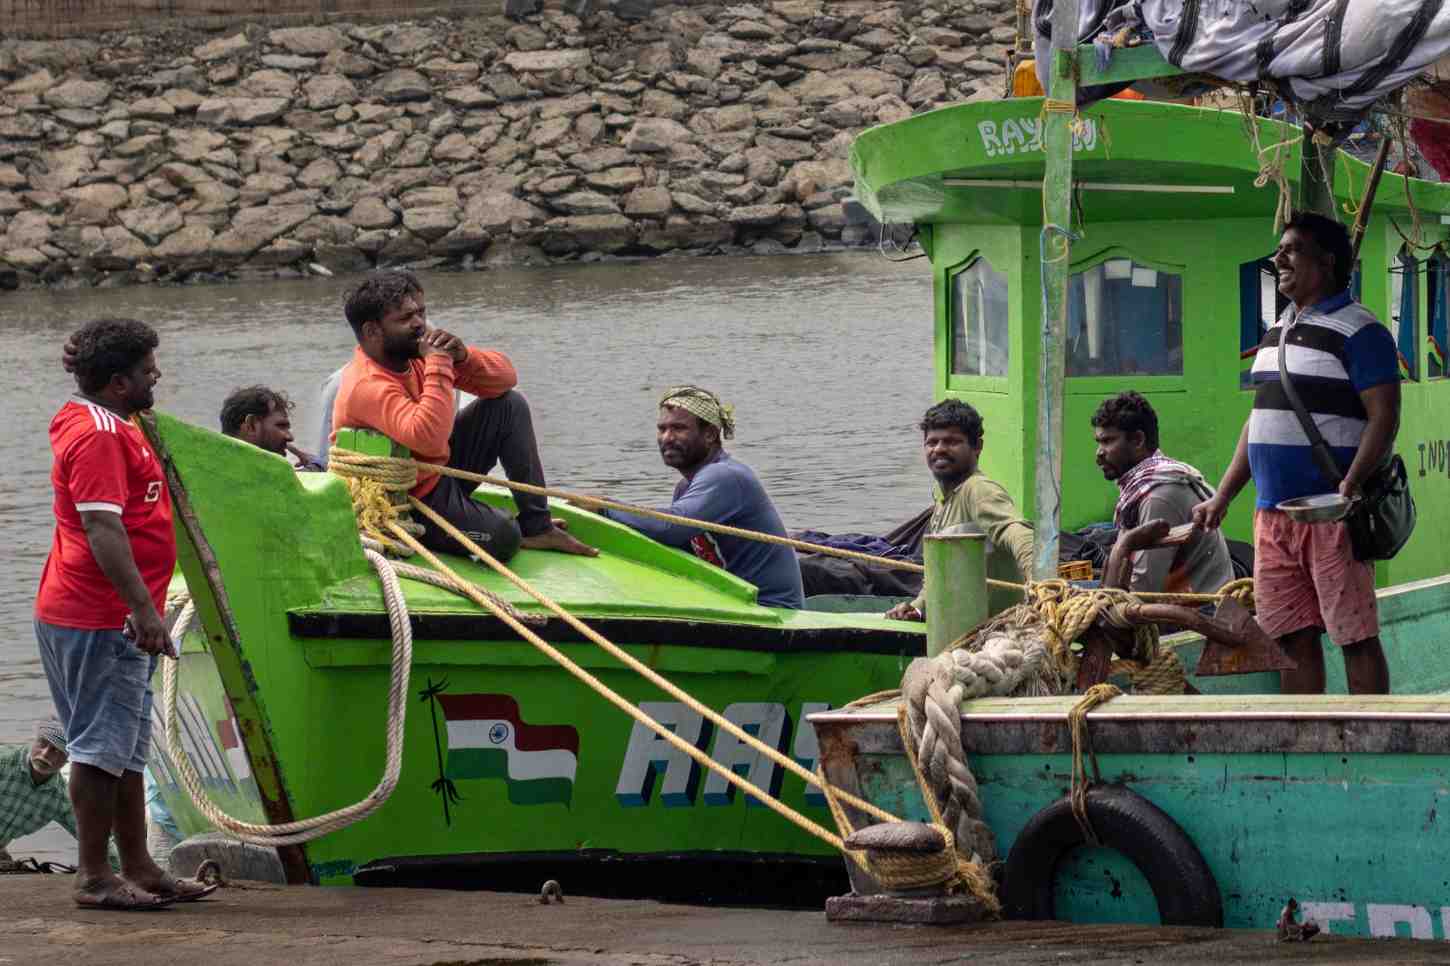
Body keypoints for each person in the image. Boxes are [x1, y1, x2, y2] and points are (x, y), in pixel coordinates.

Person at [35, 318, 213, 909]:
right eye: (146, 369)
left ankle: (140, 866)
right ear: (116, 382)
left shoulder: (107, 419)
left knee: (126, 748)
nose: (157, 374)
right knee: (96, 747)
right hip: (99, 615)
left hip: (106, 614)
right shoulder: (99, 435)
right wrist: (143, 610)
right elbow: (102, 526)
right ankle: (93, 876)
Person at [1193, 212, 1400, 695]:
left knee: (1355, 637)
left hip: (1331, 516)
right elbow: (1258, 424)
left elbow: (1385, 417)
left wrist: (1348, 488)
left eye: (1291, 249)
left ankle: (1372, 740)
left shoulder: (1361, 330)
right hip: (1273, 519)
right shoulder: (1275, 333)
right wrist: (1221, 498)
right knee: (1292, 637)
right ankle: (1315, 744)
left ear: (1325, 263)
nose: (1278, 258)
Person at [332, 270, 595, 560]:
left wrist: (464, 357)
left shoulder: (412, 355)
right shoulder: (365, 385)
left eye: (421, 312)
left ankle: (537, 526)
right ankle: (505, 530)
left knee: (510, 406)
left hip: (435, 473)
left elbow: (506, 378)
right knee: (504, 535)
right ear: (372, 331)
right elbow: (429, 439)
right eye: (406, 319)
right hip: (408, 501)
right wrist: (438, 363)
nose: (420, 324)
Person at [596, 386, 805, 608]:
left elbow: (672, 528)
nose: (667, 437)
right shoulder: (685, 487)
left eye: (678, 428)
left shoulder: (724, 476)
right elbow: (674, 544)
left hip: (771, 610)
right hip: (734, 603)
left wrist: (605, 508)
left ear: (710, 434)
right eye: (662, 428)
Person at [885, 399, 1034, 621]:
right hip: (957, 630)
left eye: (952, 442)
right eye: (931, 442)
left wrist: (1042, 585)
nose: (939, 449)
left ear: (977, 447)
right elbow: (939, 577)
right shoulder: (943, 504)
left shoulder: (979, 490)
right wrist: (917, 609)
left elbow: (1017, 533)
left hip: (996, 634)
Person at [1091, 391, 1234, 595]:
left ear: (1138, 440)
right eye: (1098, 442)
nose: (1099, 452)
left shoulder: (1159, 496)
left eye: (1107, 441)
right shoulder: (1148, 484)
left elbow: (1142, 590)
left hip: (1199, 609)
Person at [0, 721, 119, 870]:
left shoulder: (60, 798)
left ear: (69, 759)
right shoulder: (3, 762)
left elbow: (93, 838)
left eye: (57, 751)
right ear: (33, 740)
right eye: (42, 743)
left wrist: (123, 870)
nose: (45, 754)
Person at [219, 384, 323, 469]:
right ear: (251, 425)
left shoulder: (214, 470)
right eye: (281, 426)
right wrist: (317, 464)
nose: (290, 437)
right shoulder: (267, 480)